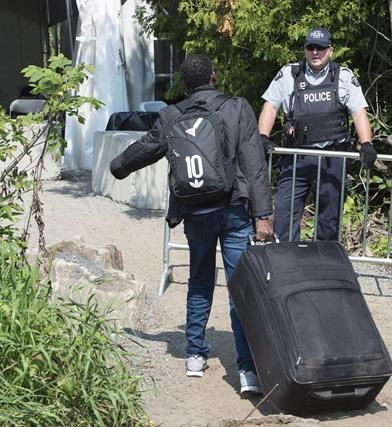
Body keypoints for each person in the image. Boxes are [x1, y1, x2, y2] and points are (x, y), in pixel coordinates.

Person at [109, 54, 273, 394]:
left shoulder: (172, 115)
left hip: (195, 212)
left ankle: (195, 355)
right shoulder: (237, 108)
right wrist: (263, 215)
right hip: (234, 209)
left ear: (186, 82)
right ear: (213, 75)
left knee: (199, 281)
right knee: (240, 287)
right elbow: (254, 164)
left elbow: (148, 147)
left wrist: (117, 166)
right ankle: (247, 371)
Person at [258, 27, 377, 242]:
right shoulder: (289, 74)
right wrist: (263, 136)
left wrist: (366, 143)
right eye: (310, 47)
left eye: (320, 48)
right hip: (296, 158)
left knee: (329, 222)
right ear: (305, 49)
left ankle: (324, 261)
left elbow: (358, 111)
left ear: (330, 50)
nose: (315, 52)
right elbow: (271, 106)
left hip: (332, 158)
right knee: (284, 218)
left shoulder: (343, 76)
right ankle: (288, 260)